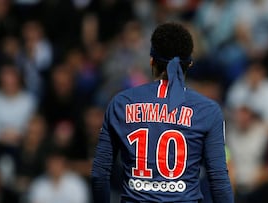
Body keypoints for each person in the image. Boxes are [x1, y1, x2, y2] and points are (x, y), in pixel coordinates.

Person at [92, 22, 233, 203]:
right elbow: (219, 181)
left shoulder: (121, 103)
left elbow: (100, 174)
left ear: (151, 61)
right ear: (189, 64)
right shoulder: (208, 110)